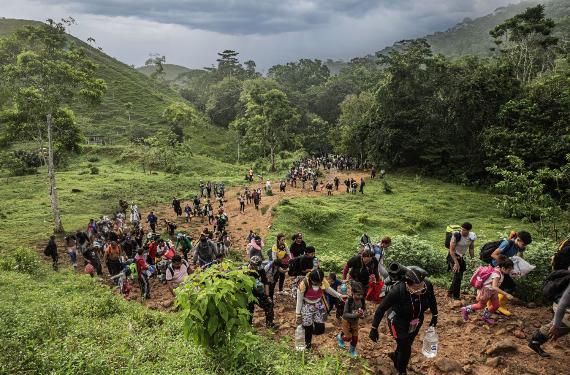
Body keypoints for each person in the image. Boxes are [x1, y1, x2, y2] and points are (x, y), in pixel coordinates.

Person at [369, 266, 438, 375]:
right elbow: (381, 308)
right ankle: (401, 370)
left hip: (416, 320)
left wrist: (435, 315)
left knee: (406, 344)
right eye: (416, 288)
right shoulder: (397, 291)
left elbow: (432, 299)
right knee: (406, 349)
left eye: (422, 286)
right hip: (397, 321)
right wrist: (374, 328)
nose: (421, 290)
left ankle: (396, 356)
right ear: (408, 284)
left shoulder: (427, 285)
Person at [296, 268, 347, 350]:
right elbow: (299, 300)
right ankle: (308, 345)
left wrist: (339, 295)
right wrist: (298, 314)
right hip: (306, 306)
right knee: (308, 327)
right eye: (316, 282)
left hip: (318, 304)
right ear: (311, 279)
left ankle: (307, 331)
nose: (318, 284)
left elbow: (328, 289)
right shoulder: (304, 284)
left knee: (320, 329)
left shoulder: (322, 281)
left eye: (319, 283)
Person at [460, 255, 514, 325]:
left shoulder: (499, 269)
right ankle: (465, 309)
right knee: (481, 305)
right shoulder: (497, 275)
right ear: (503, 268)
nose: (510, 271)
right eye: (509, 270)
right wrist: (506, 294)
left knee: (496, 305)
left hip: (493, 292)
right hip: (487, 291)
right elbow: (494, 286)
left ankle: (485, 317)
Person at [528, 270, 570, 357]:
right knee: (563, 323)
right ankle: (535, 341)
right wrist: (556, 324)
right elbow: (562, 304)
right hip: (563, 305)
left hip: (564, 305)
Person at [447, 222, 476, 300]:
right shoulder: (456, 236)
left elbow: (471, 248)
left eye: (464, 230)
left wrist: (472, 259)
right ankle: (455, 297)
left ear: (469, 231)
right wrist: (456, 263)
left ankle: (450, 292)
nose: (462, 231)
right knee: (458, 276)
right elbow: (451, 250)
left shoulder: (472, 237)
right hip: (453, 256)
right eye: (461, 229)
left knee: (459, 276)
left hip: (461, 257)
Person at [247, 256, 278, 329]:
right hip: (246, 292)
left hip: (257, 291)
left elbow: (265, 282)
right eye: (254, 267)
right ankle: (248, 326)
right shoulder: (243, 269)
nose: (255, 268)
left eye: (257, 267)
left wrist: (267, 296)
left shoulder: (260, 270)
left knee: (269, 304)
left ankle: (269, 324)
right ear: (251, 264)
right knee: (249, 309)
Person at [337, 281, 365, 357]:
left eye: (361, 295)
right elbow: (345, 314)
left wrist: (362, 314)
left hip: (355, 322)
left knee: (355, 337)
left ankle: (351, 351)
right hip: (346, 321)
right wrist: (355, 315)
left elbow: (363, 310)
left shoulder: (362, 300)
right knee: (348, 337)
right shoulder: (349, 301)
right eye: (358, 294)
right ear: (353, 292)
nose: (360, 296)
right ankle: (340, 337)